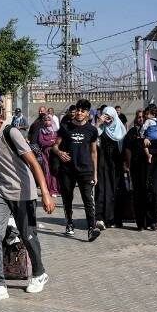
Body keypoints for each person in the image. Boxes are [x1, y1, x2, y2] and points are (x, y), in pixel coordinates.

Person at [0, 98, 55, 300]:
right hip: (0, 190)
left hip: (23, 191)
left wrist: (45, 193)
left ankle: (39, 273)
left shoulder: (12, 133)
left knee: (28, 235)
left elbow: (33, 164)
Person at [54, 100, 101, 241]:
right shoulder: (65, 127)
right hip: (67, 170)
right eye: (78, 110)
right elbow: (55, 146)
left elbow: (94, 152)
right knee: (67, 198)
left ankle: (91, 228)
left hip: (85, 170)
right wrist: (59, 153)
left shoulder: (92, 130)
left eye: (83, 111)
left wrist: (95, 173)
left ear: (88, 113)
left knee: (88, 199)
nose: (80, 113)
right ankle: (69, 223)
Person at [125, 106, 157, 231]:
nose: (141, 119)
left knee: (154, 193)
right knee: (140, 194)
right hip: (139, 167)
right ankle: (141, 222)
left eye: (143, 116)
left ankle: (153, 219)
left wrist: (149, 144)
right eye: (139, 117)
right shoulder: (133, 132)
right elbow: (129, 148)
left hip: (156, 166)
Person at [94, 105, 126, 230]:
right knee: (102, 190)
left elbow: (125, 147)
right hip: (102, 164)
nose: (108, 119)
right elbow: (91, 139)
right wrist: (99, 123)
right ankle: (100, 218)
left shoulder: (120, 129)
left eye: (110, 117)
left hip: (116, 164)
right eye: (105, 116)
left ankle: (114, 219)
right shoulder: (101, 128)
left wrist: (125, 163)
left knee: (116, 190)